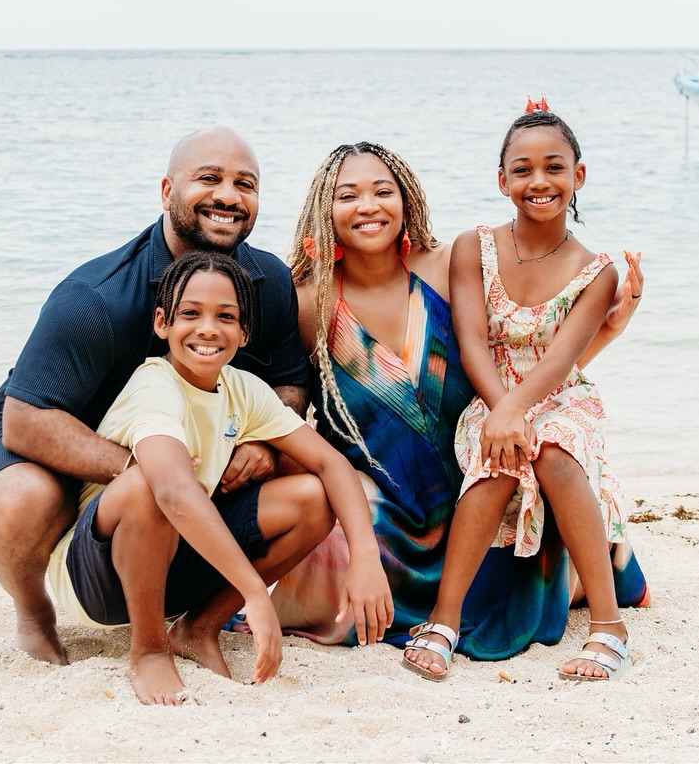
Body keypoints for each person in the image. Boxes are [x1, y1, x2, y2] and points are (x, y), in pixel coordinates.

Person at [264, 140, 640, 660]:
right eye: (348, 195)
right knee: (331, 563)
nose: (368, 206)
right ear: (323, 210)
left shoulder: (447, 267)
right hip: (389, 509)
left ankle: (605, 568)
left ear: (407, 200)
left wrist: (607, 332)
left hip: (481, 480)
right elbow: (288, 416)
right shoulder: (309, 302)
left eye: (382, 191)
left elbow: (523, 368)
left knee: (533, 518)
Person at [0, 128, 312, 664]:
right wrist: (142, 468)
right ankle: (33, 610)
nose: (229, 196)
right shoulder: (96, 297)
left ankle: (198, 622)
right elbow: (25, 420)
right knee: (20, 501)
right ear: (167, 189)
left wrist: (264, 444)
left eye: (246, 184)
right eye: (209, 178)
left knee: (302, 480)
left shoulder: (268, 280)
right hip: (54, 434)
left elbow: (290, 383)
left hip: (180, 448)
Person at [47, 251, 392, 705]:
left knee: (313, 497)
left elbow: (331, 465)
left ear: (244, 332)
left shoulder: (242, 388)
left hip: (177, 559)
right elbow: (172, 489)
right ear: (162, 323)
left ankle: (198, 628)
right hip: (99, 580)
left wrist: (365, 556)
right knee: (147, 485)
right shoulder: (155, 387)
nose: (208, 328)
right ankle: (149, 650)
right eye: (190, 314)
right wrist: (256, 593)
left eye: (225, 317)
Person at [403, 103, 647, 683]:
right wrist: (502, 411)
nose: (539, 182)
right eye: (523, 169)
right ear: (502, 179)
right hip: (491, 391)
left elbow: (562, 360)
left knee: (558, 451)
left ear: (578, 177)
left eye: (554, 168)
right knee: (498, 458)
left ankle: (609, 626)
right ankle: (444, 619)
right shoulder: (474, 247)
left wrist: (519, 411)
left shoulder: (598, 271)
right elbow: (470, 342)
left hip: (560, 394)